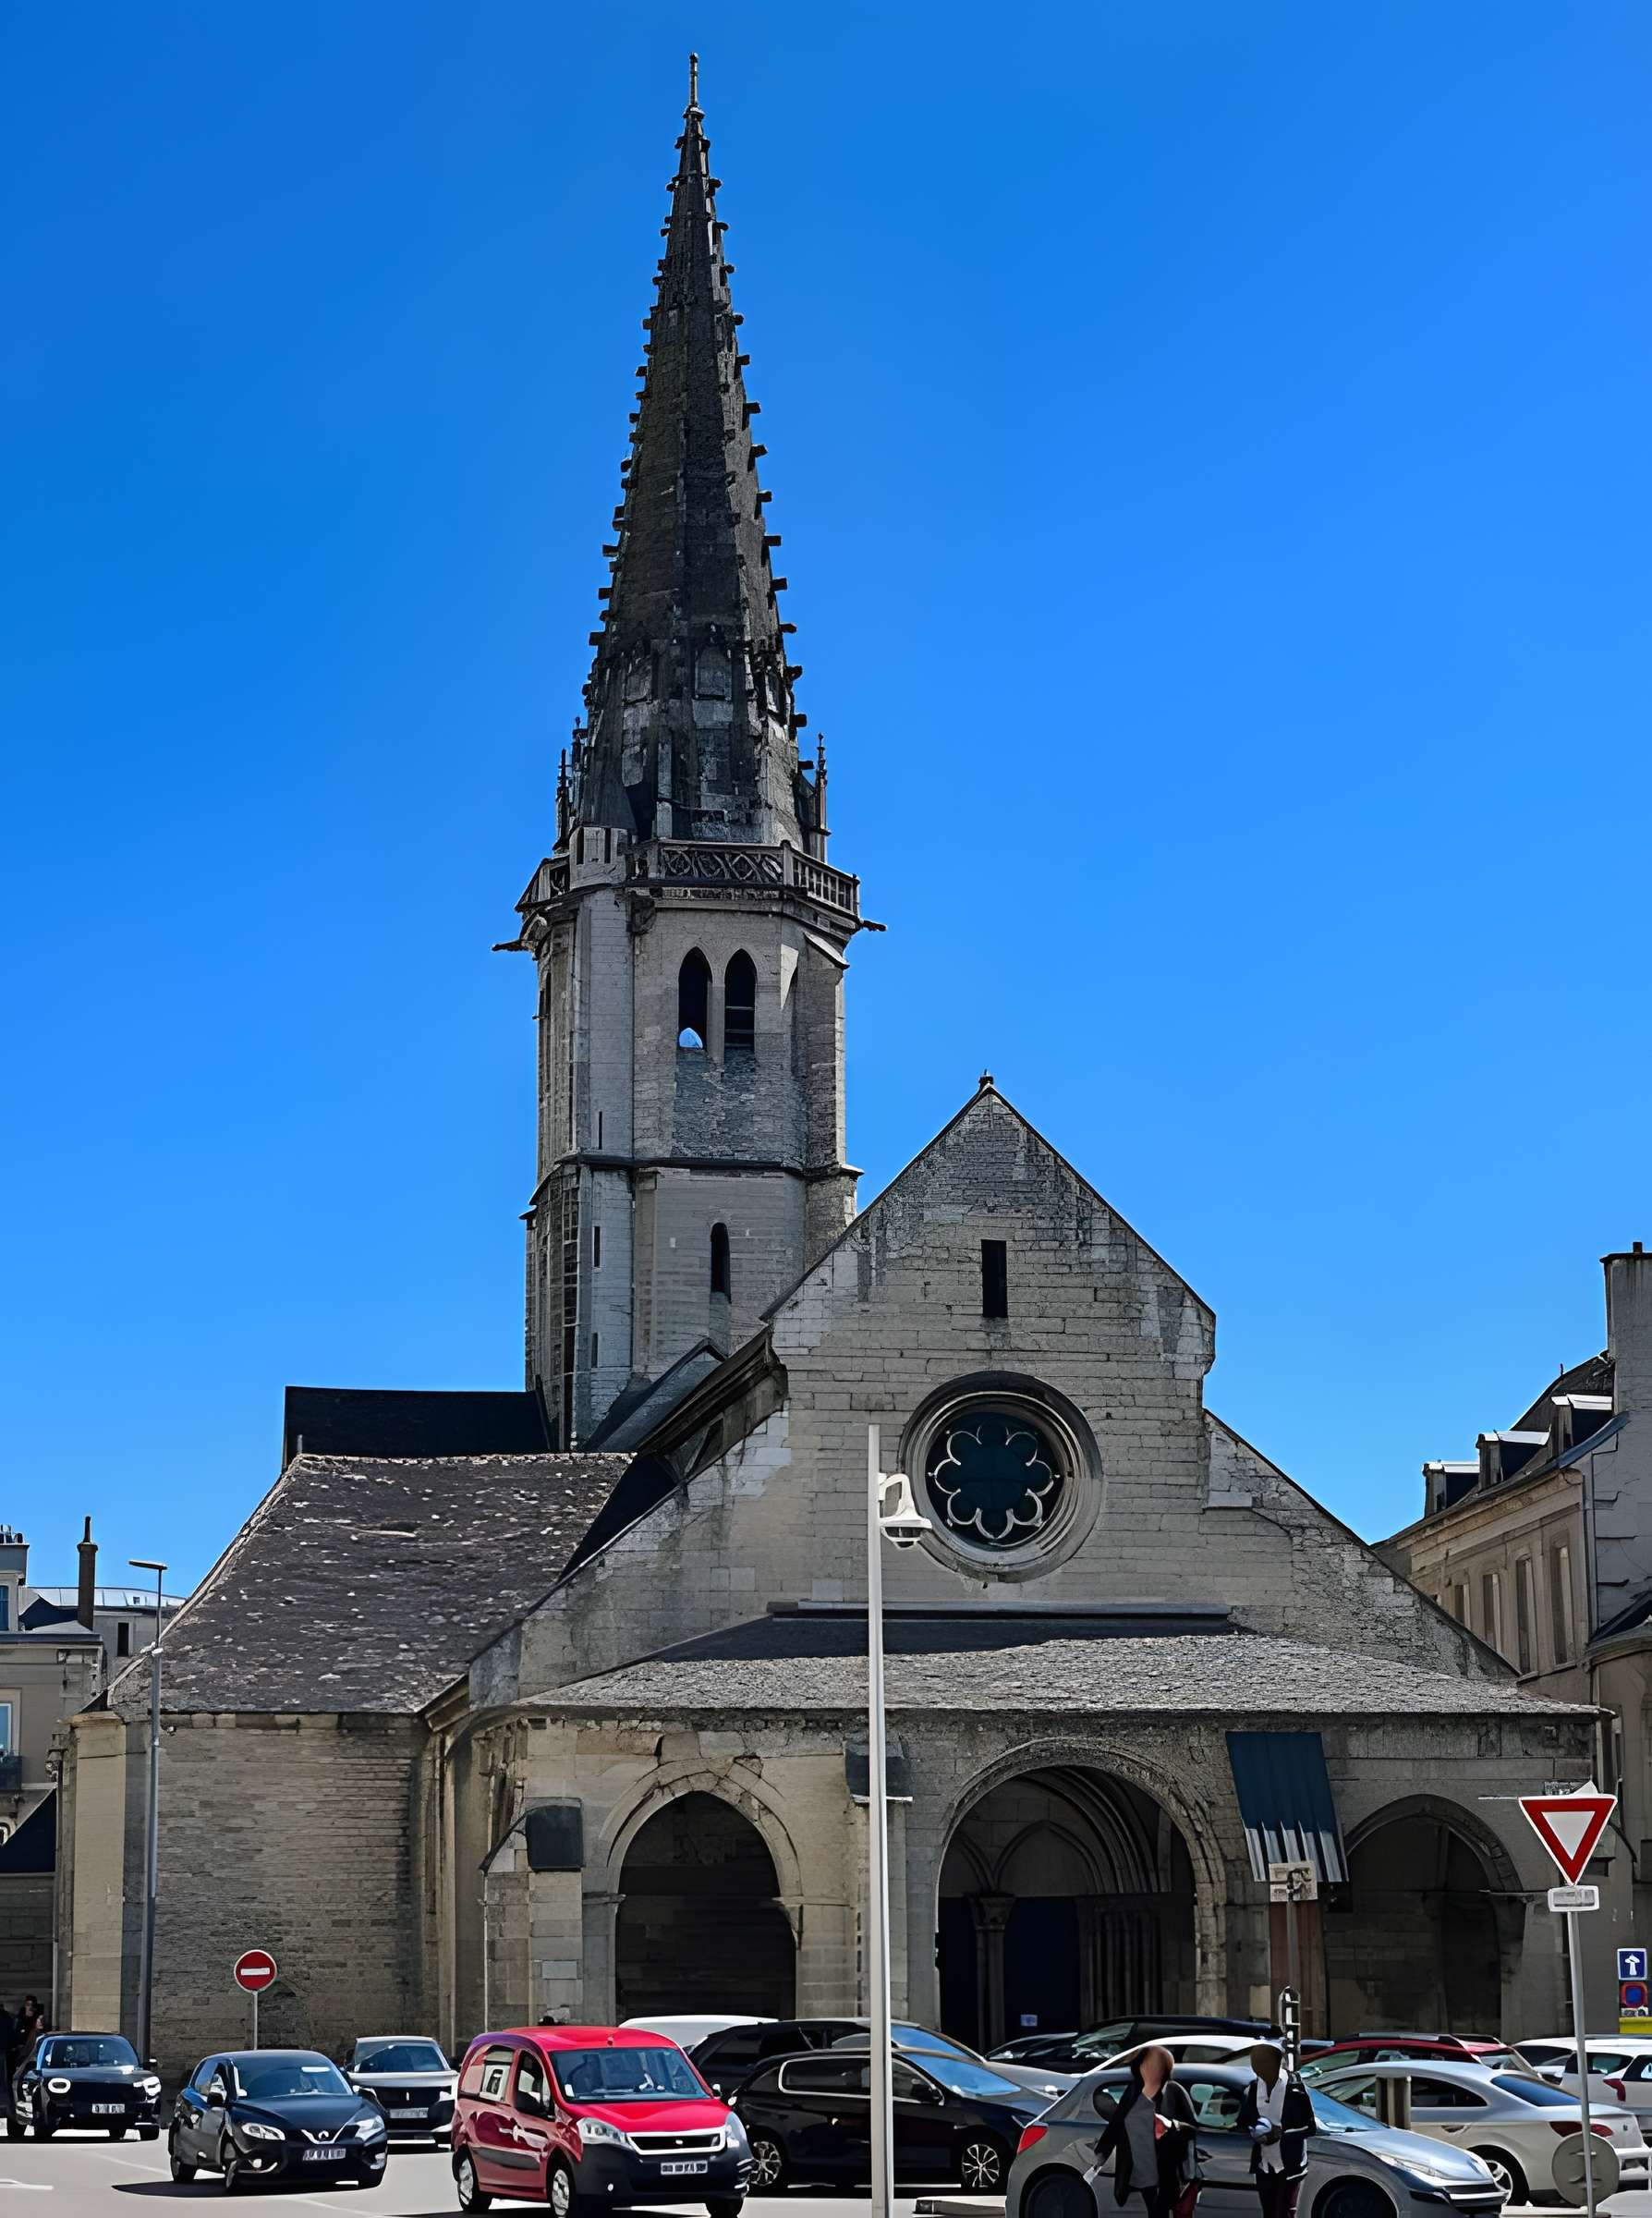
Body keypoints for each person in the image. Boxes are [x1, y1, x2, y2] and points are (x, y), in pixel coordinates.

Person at [1097, 2045, 1198, 2218]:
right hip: (1137, 2169)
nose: (1151, 2069)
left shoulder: (1174, 2091)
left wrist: (1171, 2124)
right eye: (1147, 2064)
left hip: (1164, 2170)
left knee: (1159, 2211)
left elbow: (1192, 2129)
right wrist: (1101, 2154)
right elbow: (1116, 2125)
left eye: (1156, 2065)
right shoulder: (1133, 2091)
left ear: (1165, 2068)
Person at [1238, 2041, 1315, 2218]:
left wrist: (1281, 2134)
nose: (1257, 2070)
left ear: (1275, 2064)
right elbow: (1243, 2121)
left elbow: (1311, 2128)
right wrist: (1255, 2131)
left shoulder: (1294, 2088)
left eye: (1261, 2064)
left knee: (1282, 2212)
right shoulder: (1254, 2087)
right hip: (1264, 2165)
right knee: (1269, 2212)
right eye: (1255, 2065)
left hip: (1289, 2165)